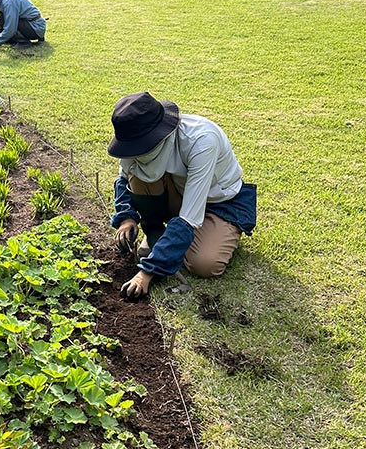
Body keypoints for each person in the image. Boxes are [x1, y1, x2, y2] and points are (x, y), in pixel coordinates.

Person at [108, 92, 257, 299]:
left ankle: (214, 233)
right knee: (139, 177)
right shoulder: (134, 137)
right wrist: (126, 218)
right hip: (178, 191)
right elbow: (124, 178)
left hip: (219, 202)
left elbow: (188, 217)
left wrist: (147, 273)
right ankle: (164, 240)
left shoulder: (202, 141)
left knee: (205, 264)